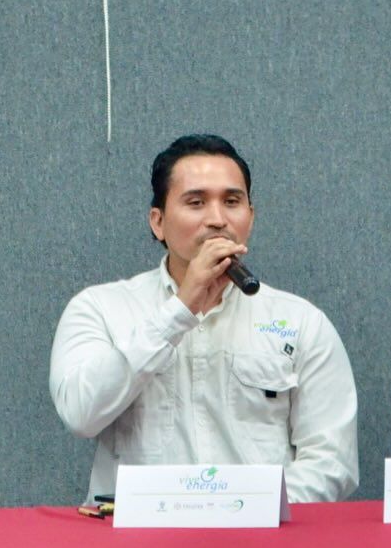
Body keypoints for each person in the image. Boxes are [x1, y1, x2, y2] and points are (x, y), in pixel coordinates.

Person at [50, 134, 358, 502]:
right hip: (135, 532)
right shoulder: (100, 308)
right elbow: (80, 414)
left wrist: (245, 508)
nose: (217, 219)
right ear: (158, 222)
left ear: (250, 217)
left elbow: (331, 462)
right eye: (196, 202)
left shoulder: (300, 322)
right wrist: (179, 311)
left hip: (258, 531)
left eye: (232, 202)